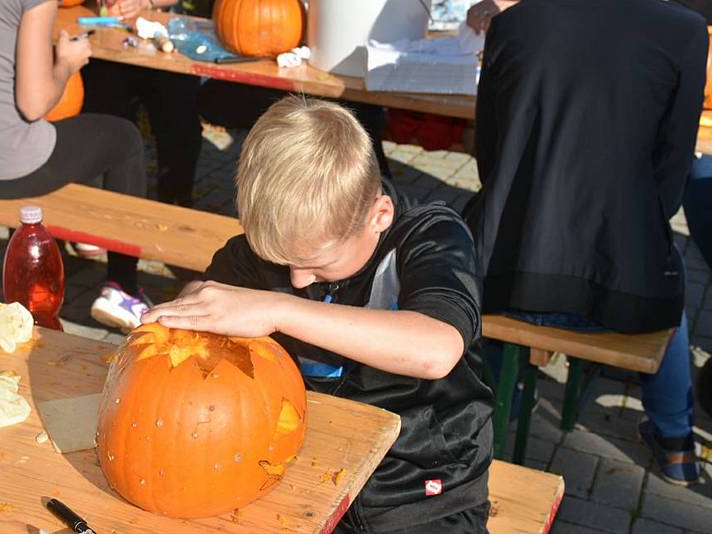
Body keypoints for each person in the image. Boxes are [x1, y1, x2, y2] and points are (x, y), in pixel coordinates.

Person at [142, 97, 493, 533]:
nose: (298, 278)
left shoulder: (431, 236)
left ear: (378, 216)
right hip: (306, 475)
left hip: (422, 491)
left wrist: (278, 309)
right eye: (283, 260)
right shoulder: (288, 244)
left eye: (317, 264)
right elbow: (207, 295)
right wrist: (196, 303)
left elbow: (436, 348)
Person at [464, 0, 707, 485]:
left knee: (479, 241)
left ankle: (499, 401)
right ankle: (677, 445)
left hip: (507, 282)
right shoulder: (688, 30)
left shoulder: (515, 22)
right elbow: (672, 171)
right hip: (624, 295)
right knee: (667, 276)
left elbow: (489, 155)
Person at [0, 0, 151, 332]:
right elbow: (34, 103)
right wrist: (66, 64)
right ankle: (122, 287)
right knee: (124, 139)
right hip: (6, 167)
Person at [82, 0, 202, 207]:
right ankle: (109, 209)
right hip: (104, 43)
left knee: (179, 127)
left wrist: (145, 2)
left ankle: (174, 206)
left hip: (164, 44)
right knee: (105, 124)